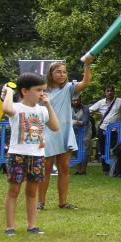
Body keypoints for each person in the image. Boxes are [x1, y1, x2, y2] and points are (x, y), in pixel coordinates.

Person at [1, 74, 60, 235]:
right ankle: (10, 227)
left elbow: (55, 127)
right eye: (39, 90)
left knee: (32, 192)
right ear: (25, 91)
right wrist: (9, 92)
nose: (42, 93)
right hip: (17, 155)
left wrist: (48, 105)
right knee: (13, 191)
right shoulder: (16, 108)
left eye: (44, 90)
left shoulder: (42, 110)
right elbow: (6, 108)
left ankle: (32, 225)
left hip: (37, 156)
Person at [38, 59, 92, 210]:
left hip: (65, 132)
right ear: (51, 73)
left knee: (64, 168)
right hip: (47, 132)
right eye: (58, 71)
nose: (62, 74)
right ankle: (40, 202)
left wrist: (87, 65)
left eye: (64, 72)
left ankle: (63, 202)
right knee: (46, 169)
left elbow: (86, 82)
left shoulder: (69, 88)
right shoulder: (42, 90)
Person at [89, 85, 121, 172]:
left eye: (111, 91)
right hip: (103, 129)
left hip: (115, 130)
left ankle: (117, 168)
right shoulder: (101, 102)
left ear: (114, 92)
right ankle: (105, 168)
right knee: (103, 149)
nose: (110, 93)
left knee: (116, 148)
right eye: (108, 91)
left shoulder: (120, 101)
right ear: (105, 92)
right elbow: (89, 110)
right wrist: (97, 114)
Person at [71, 96, 93, 175]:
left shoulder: (85, 108)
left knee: (85, 148)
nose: (75, 102)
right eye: (73, 100)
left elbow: (85, 121)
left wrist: (74, 122)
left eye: (77, 100)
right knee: (76, 149)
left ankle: (83, 170)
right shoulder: (69, 107)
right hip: (74, 130)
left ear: (80, 99)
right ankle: (78, 169)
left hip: (85, 130)